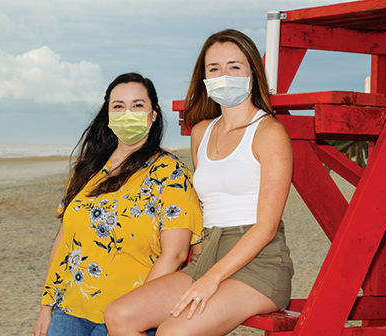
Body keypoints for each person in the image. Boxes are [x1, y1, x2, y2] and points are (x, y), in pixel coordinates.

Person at [105, 29, 294, 335]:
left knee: (172, 332)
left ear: (252, 74)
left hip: (259, 264)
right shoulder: (202, 132)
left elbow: (266, 227)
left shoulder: (269, 133)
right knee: (119, 315)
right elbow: (206, 204)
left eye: (234, 67)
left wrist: (212, 279)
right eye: (214, 69)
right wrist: (202, 270)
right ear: (204, 77)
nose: (224, 75)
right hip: (208, 253)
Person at [34, 73, 203, 336]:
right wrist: (46, 306)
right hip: (68, 310)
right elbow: (64, 238)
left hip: (124, 316)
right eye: (118, 106)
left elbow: (176, 255)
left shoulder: (170, 174)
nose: (128, 113)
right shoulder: (89, 169)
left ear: (153, 114)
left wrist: (135, 311)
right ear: (109, 116)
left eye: (138, 106)